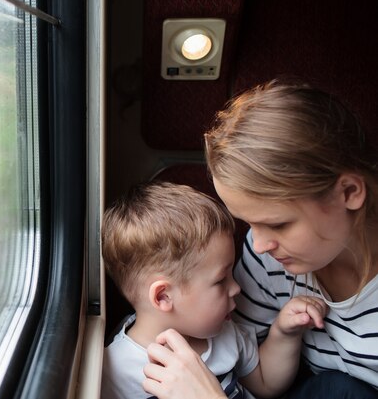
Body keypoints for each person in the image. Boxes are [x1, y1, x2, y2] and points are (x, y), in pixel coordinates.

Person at [143, 79, 378, 399]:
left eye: (278, 224)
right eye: (249, 224)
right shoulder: (269, 257)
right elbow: (247, 360)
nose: (258, 244)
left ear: (349, 192)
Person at [101, 181, 327, 399]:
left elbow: (265, 385)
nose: (236, 288)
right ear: (163, 297)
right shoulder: (117, 370)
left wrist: (284, 334)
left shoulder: (223, 333)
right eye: (221, 280)